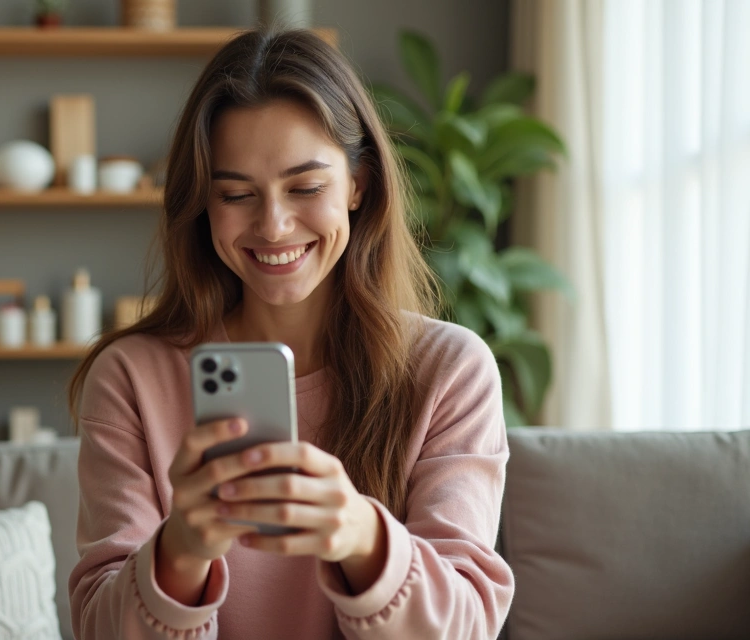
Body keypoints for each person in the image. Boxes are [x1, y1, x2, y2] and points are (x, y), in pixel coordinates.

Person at [66, 27, 514, 639]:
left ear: (359, 184)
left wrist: (361, 536)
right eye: (236, 194)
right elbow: (98, 628)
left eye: (305, 187)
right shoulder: (131, 378)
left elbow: (465, 628)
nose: (273, 226)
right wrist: (181, 552)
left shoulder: (449, 370)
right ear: (202, 203)